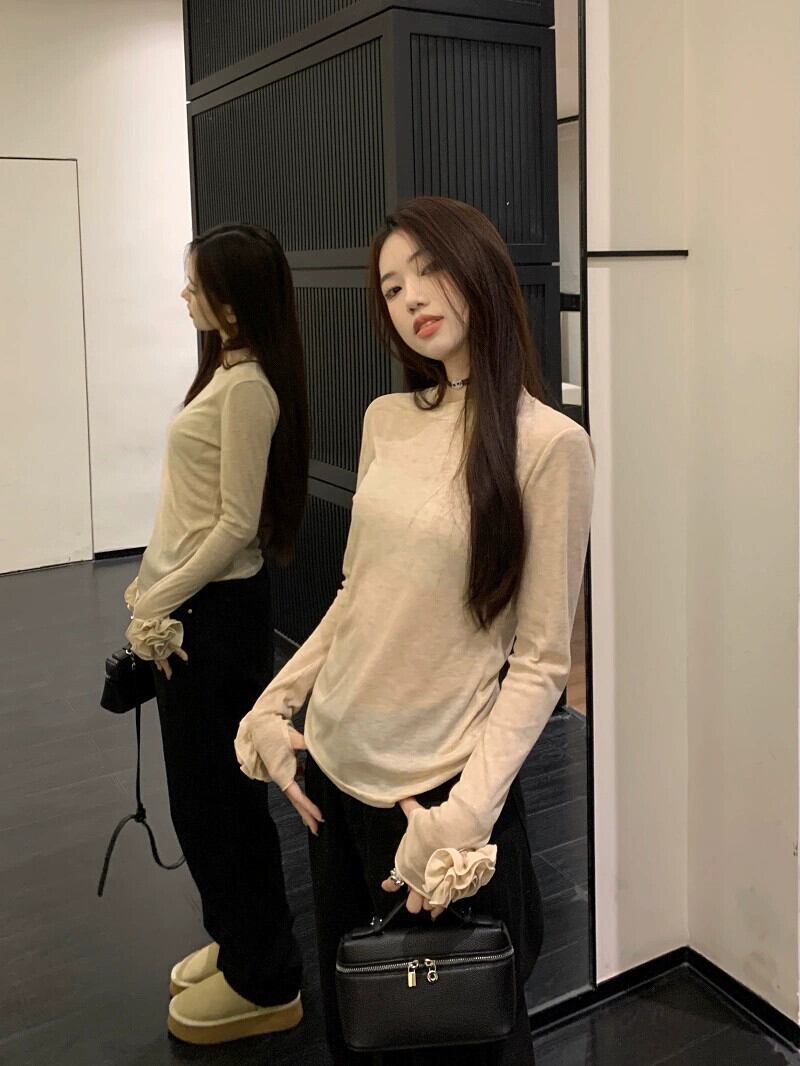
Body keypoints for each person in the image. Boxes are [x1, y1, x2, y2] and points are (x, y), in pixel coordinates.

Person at [235, 196, 595, 1064]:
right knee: (359, 1031)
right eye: (393, 287)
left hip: (436, 798)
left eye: (429, 270)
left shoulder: (549, 444)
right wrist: (273, 706)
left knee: (463, 1037)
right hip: (334, 778)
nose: (412, 298)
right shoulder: (385, 420)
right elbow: (357, 592)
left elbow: (541, 662)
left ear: (480, 270)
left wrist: (462, 818)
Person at [123, 224, 309, 1045]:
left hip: (215, 619)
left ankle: (266, 978)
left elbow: (235, 526)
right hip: (192, 612)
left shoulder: (248, 391)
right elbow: (199, 513)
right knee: (201, 801)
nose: (186, 295)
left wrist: (159, 596)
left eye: (196, 285)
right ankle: (238, 942)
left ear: (233, 304)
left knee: (220, 806)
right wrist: (151, 592)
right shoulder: (227, 378)